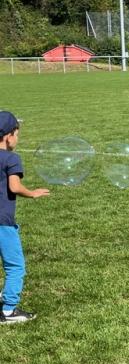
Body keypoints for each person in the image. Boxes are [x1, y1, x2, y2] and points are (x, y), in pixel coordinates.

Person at [0, 111, 50, 324]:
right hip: (3, 222)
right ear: (9, 136)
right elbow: (14, 186)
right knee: (15, 265)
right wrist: (32, 193)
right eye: (17, 134)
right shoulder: (12, 158)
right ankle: (9, 311)